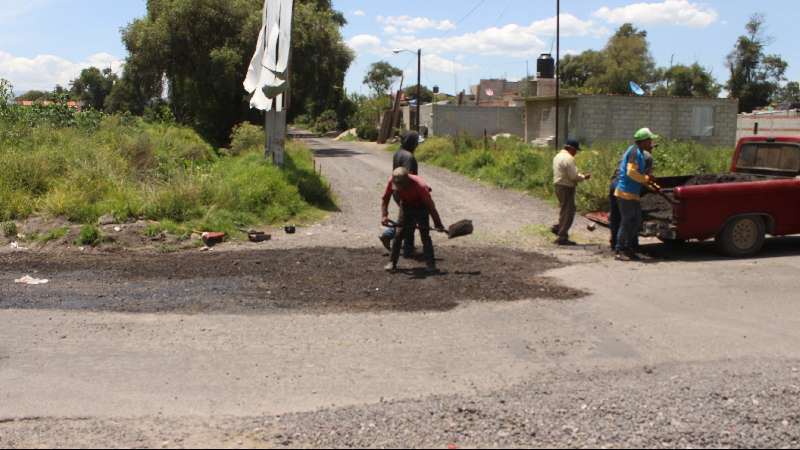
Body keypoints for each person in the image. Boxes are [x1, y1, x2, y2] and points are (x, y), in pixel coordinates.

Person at [381, 167, 446, 273]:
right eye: (397, 186)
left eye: (401, 186)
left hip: (422, 207)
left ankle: (431, 264)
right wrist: (384, 215)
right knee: (398, 234)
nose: (398, 188)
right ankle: (392, 262)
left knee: (425, 235)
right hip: (406, 205)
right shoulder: (393, 181)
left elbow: (431, 207)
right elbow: (386, 198)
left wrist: (438, 223)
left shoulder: (420, 186)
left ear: (407, 182)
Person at [614, 128, 659, 261]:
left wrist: (648, 183)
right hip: (625, 192)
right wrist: (646, 179)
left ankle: (629, 248)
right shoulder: (634, 152)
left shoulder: (638, 152)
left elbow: (637, 174)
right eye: (649, 140)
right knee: (627, 222)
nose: (651, 142)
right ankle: (619, 249)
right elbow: (630, 172)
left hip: (632, 192)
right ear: (643, 141)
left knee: (636, 222)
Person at [380, 131, 421, 253]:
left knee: (408, 217)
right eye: (416, 142)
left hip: (396, 190)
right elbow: (409, 178)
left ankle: (408, 246)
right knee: (409, 219)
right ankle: (390, 235)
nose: (417, 145)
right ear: (411, 143)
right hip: (406, 192)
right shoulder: (409, 157)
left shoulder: (398, 153)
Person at [609, 141, 654, 250]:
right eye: (650, 146)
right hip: (627, 187)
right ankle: (630, 244)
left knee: (616, 216)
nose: (652, 149)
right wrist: (650, 186)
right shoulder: (646, 156)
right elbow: (640, 176)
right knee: (630, 218)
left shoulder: (629, 151)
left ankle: (614, 242)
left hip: (615, 183)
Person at [551, 139, 591, 246]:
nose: (576, 152)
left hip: (558, 185)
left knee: (564, 209)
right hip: (566, 186)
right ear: (571, 148)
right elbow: (573, 176)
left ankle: (559, 227)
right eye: (575, 150)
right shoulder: (569, 158)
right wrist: (583, 177)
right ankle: (562, 237)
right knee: (569, 212)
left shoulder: (558, 156)